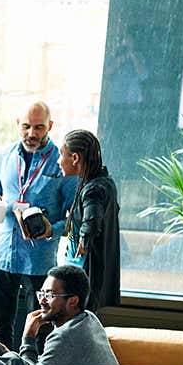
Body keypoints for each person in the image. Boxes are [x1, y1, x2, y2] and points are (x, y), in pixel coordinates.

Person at [0, 101, 76, 349]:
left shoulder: (62, 162)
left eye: (39, 127)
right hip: (2, 254)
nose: (31, 134)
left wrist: (50, 230)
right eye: (26, 127)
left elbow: (74, 218)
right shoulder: (5, 155)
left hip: (39, 259)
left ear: (50, 126)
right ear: (17, 125)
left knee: (40, 328)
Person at [59, 129, 120, 310]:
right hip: (89, 275)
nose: (59, 161)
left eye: (62, 155)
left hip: (84, 277)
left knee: (77, 327)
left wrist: (84, 242)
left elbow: (92, 222)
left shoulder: (93, 188)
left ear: (75, 158)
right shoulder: (103, 182)